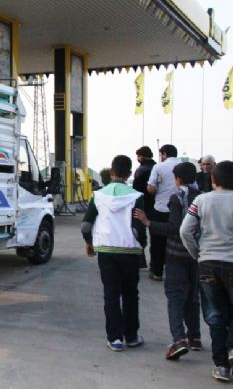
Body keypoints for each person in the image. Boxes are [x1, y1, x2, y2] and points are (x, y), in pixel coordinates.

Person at [134, 162, 202, 360]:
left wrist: (148, 223)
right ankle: (195, 337)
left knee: (174, 296)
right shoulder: (203, 196)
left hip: (176, 254)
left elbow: (174, 228)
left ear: (177, 179)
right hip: (197, 256)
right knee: (193, 296)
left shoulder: (177, 197)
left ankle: (178, 340)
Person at [82, 155, 147, 351]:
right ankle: (132, 336)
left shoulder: (99, 195)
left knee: (111, 294)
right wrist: (142, 245)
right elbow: (138, 229)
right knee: (130, 294)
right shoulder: (136, 196)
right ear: (128, 174)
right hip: (129, 251)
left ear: (111, 173)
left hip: (106, 251)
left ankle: (115, 338)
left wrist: (90, 244)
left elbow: (86, 225)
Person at [180, 160, 233, 382]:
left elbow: (185, 231)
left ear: (212, 179)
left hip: (208, 263)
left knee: (215, 315)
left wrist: (198, 254)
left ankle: (221, 366)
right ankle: (231, 348)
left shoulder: (201, 200)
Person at [147, 144, 181, 281]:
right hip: (180, 209)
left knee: (158, 244)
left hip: (161, 209)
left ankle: (157, 273)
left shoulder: (159, 167)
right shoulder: (184, 165)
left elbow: (151, 188)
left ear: (164, 154)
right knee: (178, 243)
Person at [133, 146, 156, 268]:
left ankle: (141, 260)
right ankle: (155, 263)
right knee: (156, 236)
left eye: (138, 156)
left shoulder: (141, 170)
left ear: (143, 156)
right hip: (156, 206)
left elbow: (136, 190)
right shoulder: (156, 167)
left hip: (142, 206)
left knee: (140, 233)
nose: (137, 158)